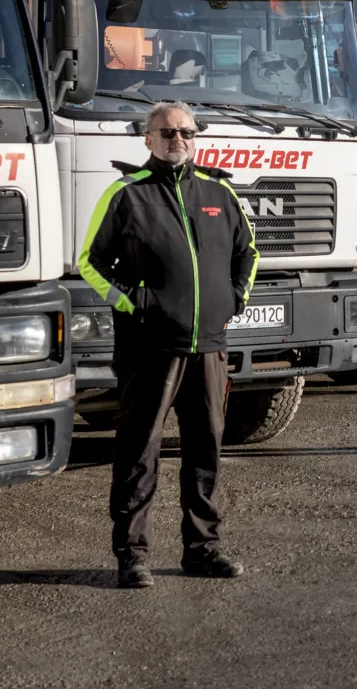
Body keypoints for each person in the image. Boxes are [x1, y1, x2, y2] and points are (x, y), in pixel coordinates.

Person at [79, 101, 257, 589]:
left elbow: (248, 253)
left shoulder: (219, 192)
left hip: (209, 348)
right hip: (149, 349)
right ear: (147, 138)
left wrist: (235, 297)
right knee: (140, 450)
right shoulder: (126, 195)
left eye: (186, 132)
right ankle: (132, 555)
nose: (178, 139)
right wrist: (135, 303)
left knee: (207, 450)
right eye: (167, 132)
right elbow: (89, 263)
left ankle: (203, 549)